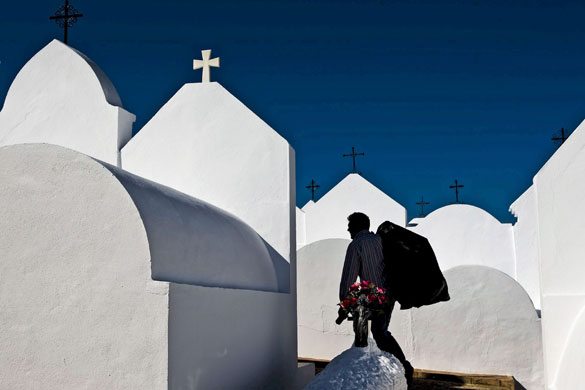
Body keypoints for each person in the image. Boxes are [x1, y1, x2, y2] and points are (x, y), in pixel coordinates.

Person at [339, 212, 414, 386]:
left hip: (373, 299)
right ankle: (400, 365)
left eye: (350, 225)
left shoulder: (356, 244)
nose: (348, 228)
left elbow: (348, 278)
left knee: (367, 334)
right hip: (390, 295)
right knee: (381, 333)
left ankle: (373, 371)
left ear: (358, 225)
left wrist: (344, 302)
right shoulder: (381, 240)